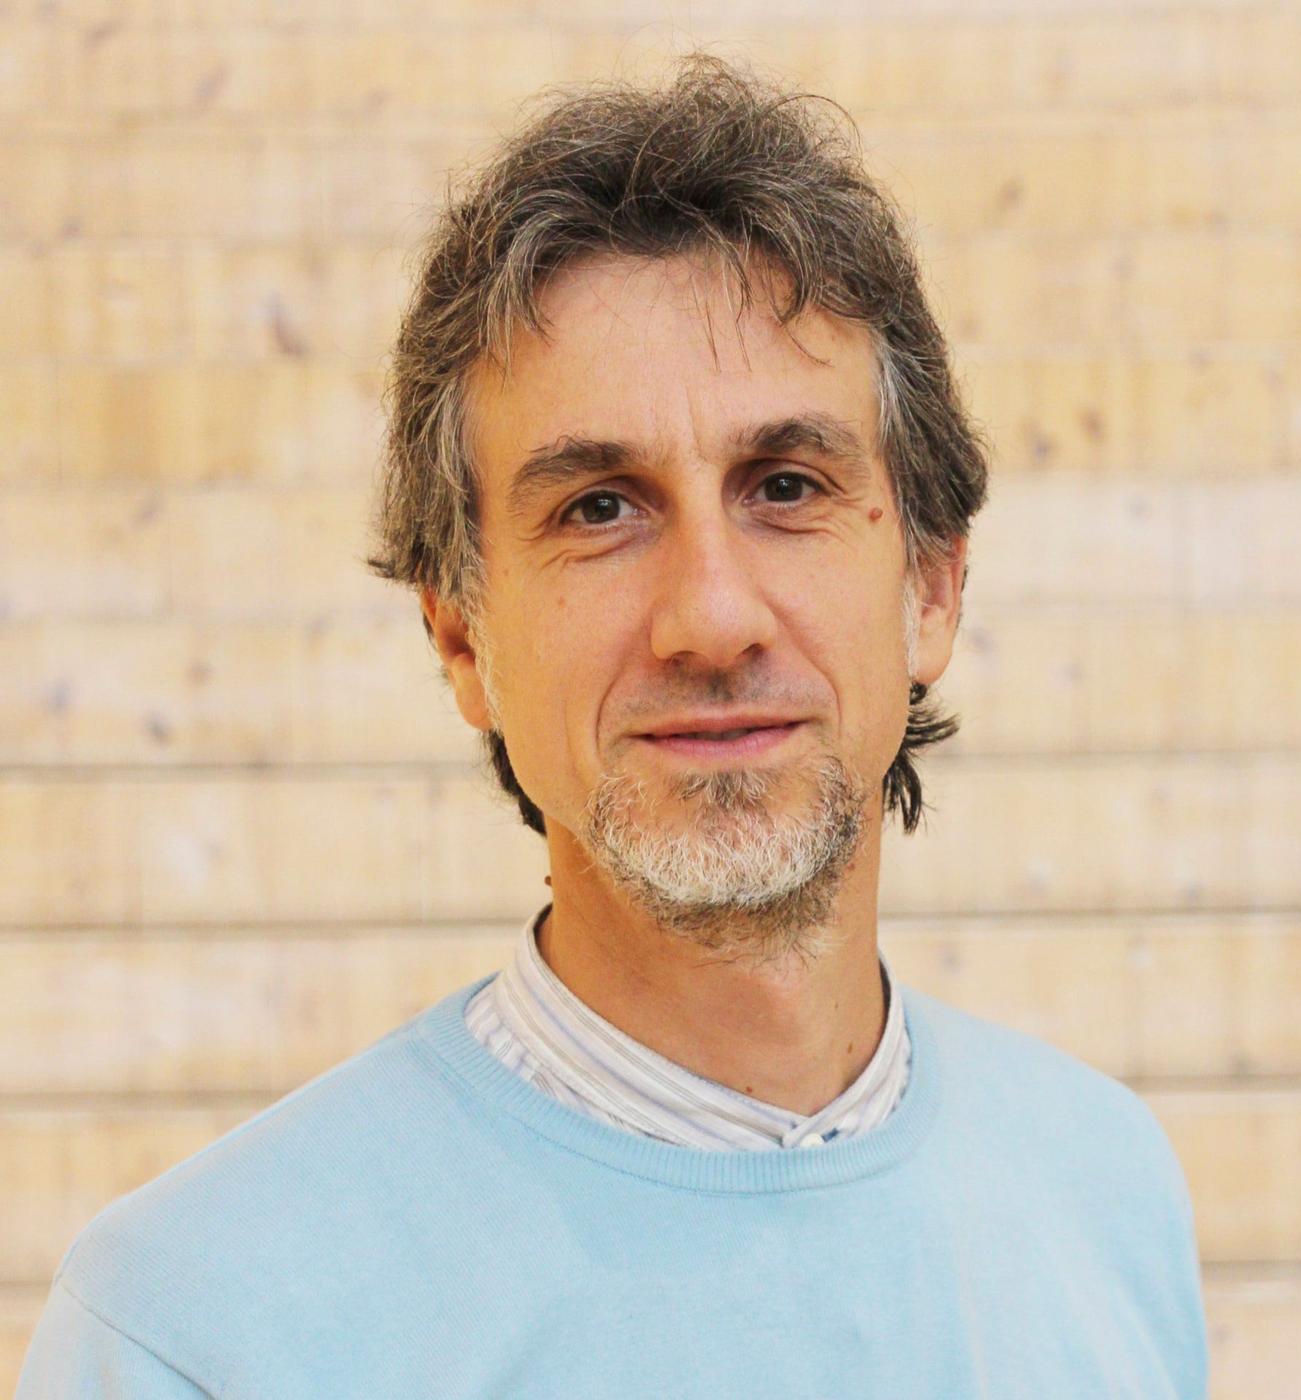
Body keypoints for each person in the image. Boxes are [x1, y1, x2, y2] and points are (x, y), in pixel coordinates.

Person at [18, 52, 1209, 1398]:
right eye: (599, 509)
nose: (710, 616)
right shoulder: (194, 1325)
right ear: (462, 637)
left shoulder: (1105, 1188)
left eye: (786, 484)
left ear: (931, 586)